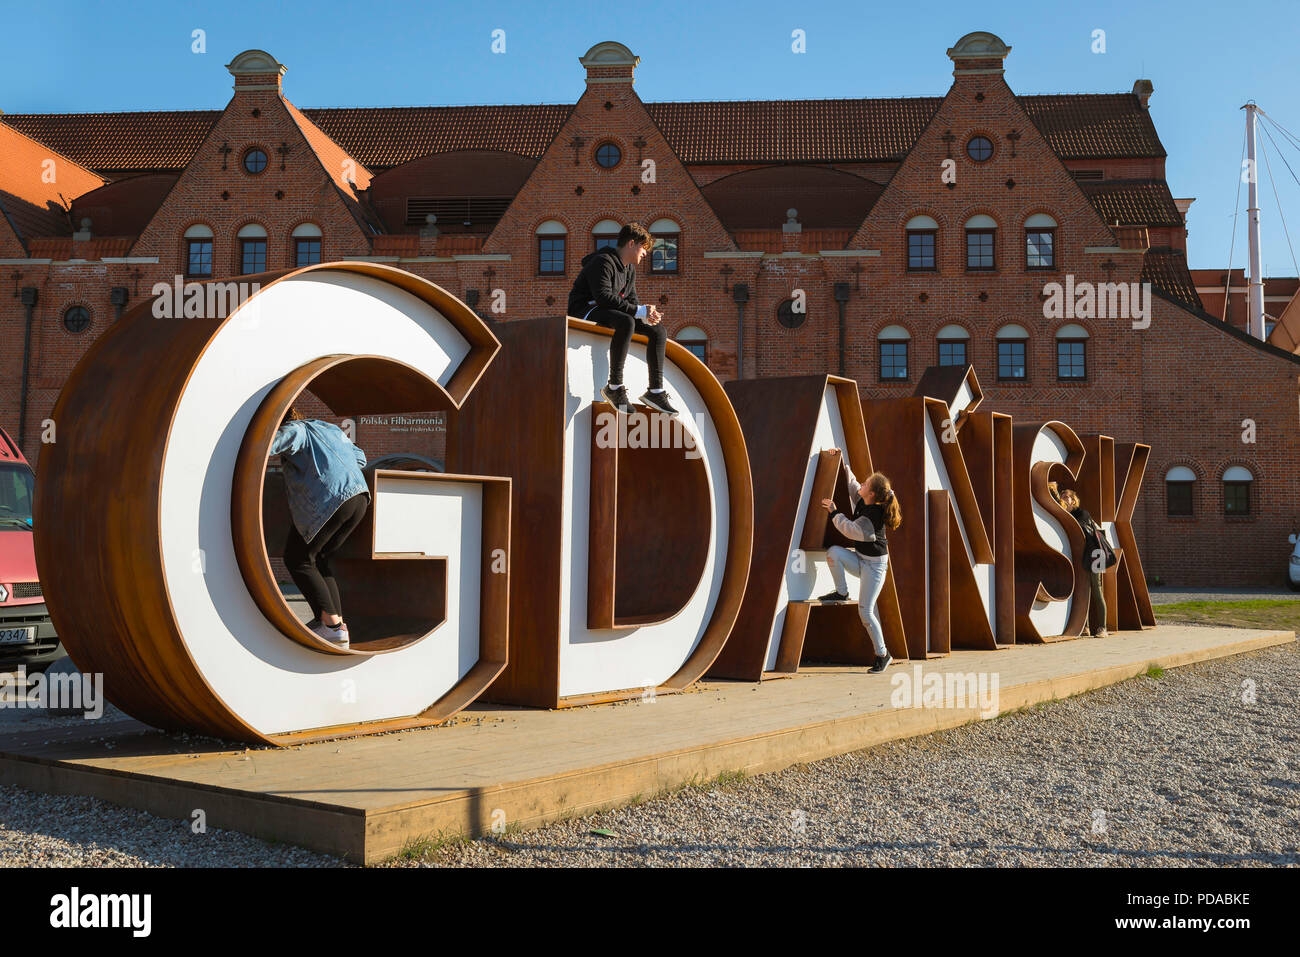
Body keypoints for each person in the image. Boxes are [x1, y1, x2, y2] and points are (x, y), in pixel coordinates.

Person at [271, 406, 371, 648]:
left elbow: (266, 446)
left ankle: (332, 626)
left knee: (298, 559)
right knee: (320, 558)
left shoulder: (295, 430)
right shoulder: (330, 429)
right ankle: (333, 624)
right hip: (359, 498)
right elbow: (361, 458)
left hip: (330, 499)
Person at [566, 222, 679, 416]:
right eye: (643, 248)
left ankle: (655, 392)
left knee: (657, 330)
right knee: (626, 321)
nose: (645, 254)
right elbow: (603, 297)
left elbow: (632, 302)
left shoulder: (629, 270)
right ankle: (615, 386)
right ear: (631, 243)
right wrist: (639, 311)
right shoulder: (602, 261)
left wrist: (647, 315)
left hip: (607, 311)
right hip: (584, 310)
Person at [815, 453, 902, 673]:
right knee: (834, 552)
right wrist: (843, 463)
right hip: (861, 559)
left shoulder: (872, 517)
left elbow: (850, 530)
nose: (861, 484)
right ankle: (842, 592)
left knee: (865, 611)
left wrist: (834, 512)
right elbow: (854, 486)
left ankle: (883, 654)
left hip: (875, 567)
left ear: (872, 494)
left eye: (866, 484)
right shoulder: (865, 499)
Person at [1059, 488, 1108, 638]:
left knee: (1096, 589)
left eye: (1067, 497)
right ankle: (1084, 627)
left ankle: (1103, 628)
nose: (1064, 499)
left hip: (1096, 554)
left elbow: (1077, 527)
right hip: (1082, 555)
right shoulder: (1065, 515)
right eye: (1062, 496)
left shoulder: (1082, 513)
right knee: (1082, 590)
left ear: (1073, 500)